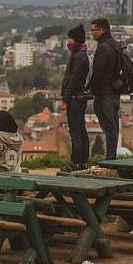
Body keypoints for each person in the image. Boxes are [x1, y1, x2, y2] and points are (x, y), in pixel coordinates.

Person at [87, 17, 121, 160]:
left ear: (102, 30)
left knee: (108, 126)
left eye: (93, 30)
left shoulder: (103, 48)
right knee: (113, 125)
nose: (91, 33)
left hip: (104, 93)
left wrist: (90, 90)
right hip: (115, 91)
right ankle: (112, 156)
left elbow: (98, 72)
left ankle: (110, 158)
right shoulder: (115, 45)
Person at [61, 24, 91, 171]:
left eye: (70, 39)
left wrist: (65, 99)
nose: (68, 42)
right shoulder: (80, 55)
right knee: (81, 130)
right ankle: (83, 161)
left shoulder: (79, 57)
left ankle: (75, 162)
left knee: (76, 132)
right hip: (78, 98)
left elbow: (73, 80)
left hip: (74, 99)